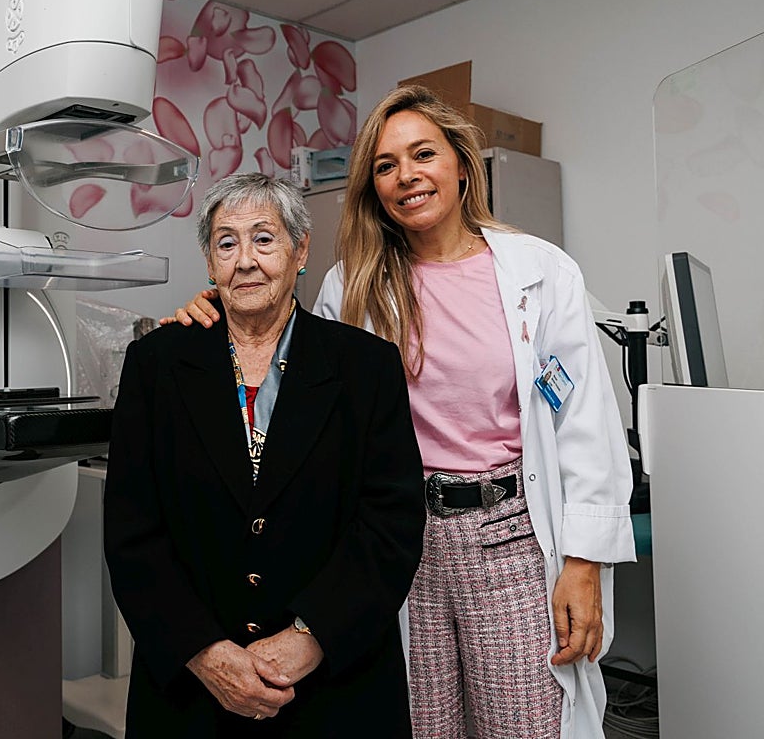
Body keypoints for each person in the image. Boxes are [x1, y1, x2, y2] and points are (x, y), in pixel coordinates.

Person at [166, 87, 636, 739]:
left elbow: (583, 420)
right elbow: (291, 382)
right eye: (386, 165)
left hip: (506, 538)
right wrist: (216, 311)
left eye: (423, 155)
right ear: (372, 185)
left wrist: (585, 563)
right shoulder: (349, 284)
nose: (406, 176)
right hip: (394, 544)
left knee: (525, 725)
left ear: (462, 165)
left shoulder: (540, 272)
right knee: (420, 727)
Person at [104, 171, 426, 737]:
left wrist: (312, 636)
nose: (245, 260)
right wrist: (205, 652)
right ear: (209, 262)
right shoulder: (156, 365)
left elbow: (391, 523)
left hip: (333, 689)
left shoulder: (366, 367)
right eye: (227, 242)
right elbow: (132, 531)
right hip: (192, 689)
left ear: (300, 250)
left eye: (264, 238)